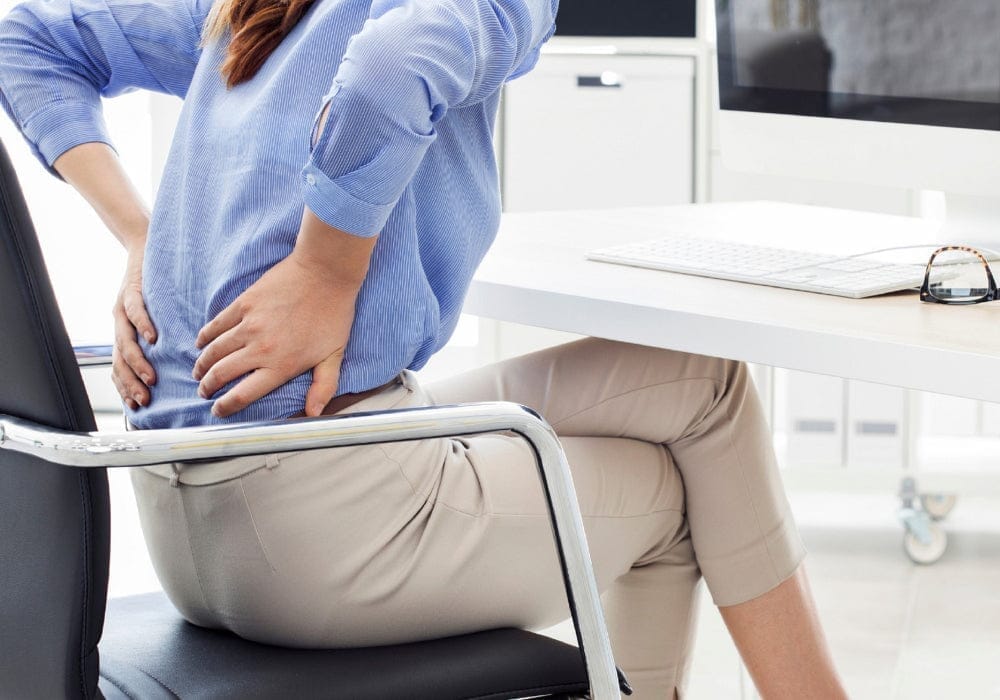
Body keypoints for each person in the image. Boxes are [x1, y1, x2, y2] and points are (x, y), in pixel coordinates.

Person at [0, 0, 848, 696]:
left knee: (702, 384)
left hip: (188, 519)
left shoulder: (247, 7)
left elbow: (22, 37)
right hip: (320, 529)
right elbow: (395, 63)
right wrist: (326, 272)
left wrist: (141, 236)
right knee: (671, 496)